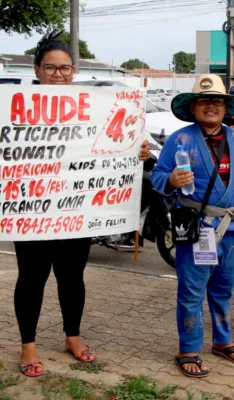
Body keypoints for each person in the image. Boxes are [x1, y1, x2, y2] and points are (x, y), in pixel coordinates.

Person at [15, 31, 151, 377]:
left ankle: (71, 336)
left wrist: (134, 152)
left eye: (65, 69)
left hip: (77, 212)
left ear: (73, 71)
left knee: (72, 276)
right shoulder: (15, 106)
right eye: (50, 68)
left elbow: (109, 145)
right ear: (37, 69)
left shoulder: (93, 107)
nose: (58, 75)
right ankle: (27, 344)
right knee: (32, 278)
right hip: (32, 212)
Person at [151, 74, 234, 378]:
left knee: (224, 289)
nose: (211, 106)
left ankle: (222, 341)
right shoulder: (181, 139)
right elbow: (158, 176)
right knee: (191, 291)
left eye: (217, 100)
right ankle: (188, 349)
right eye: (204, 100)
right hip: (196, 227)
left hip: (231, 228)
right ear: (193, 107)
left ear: (225, 107)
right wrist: (171, 180)